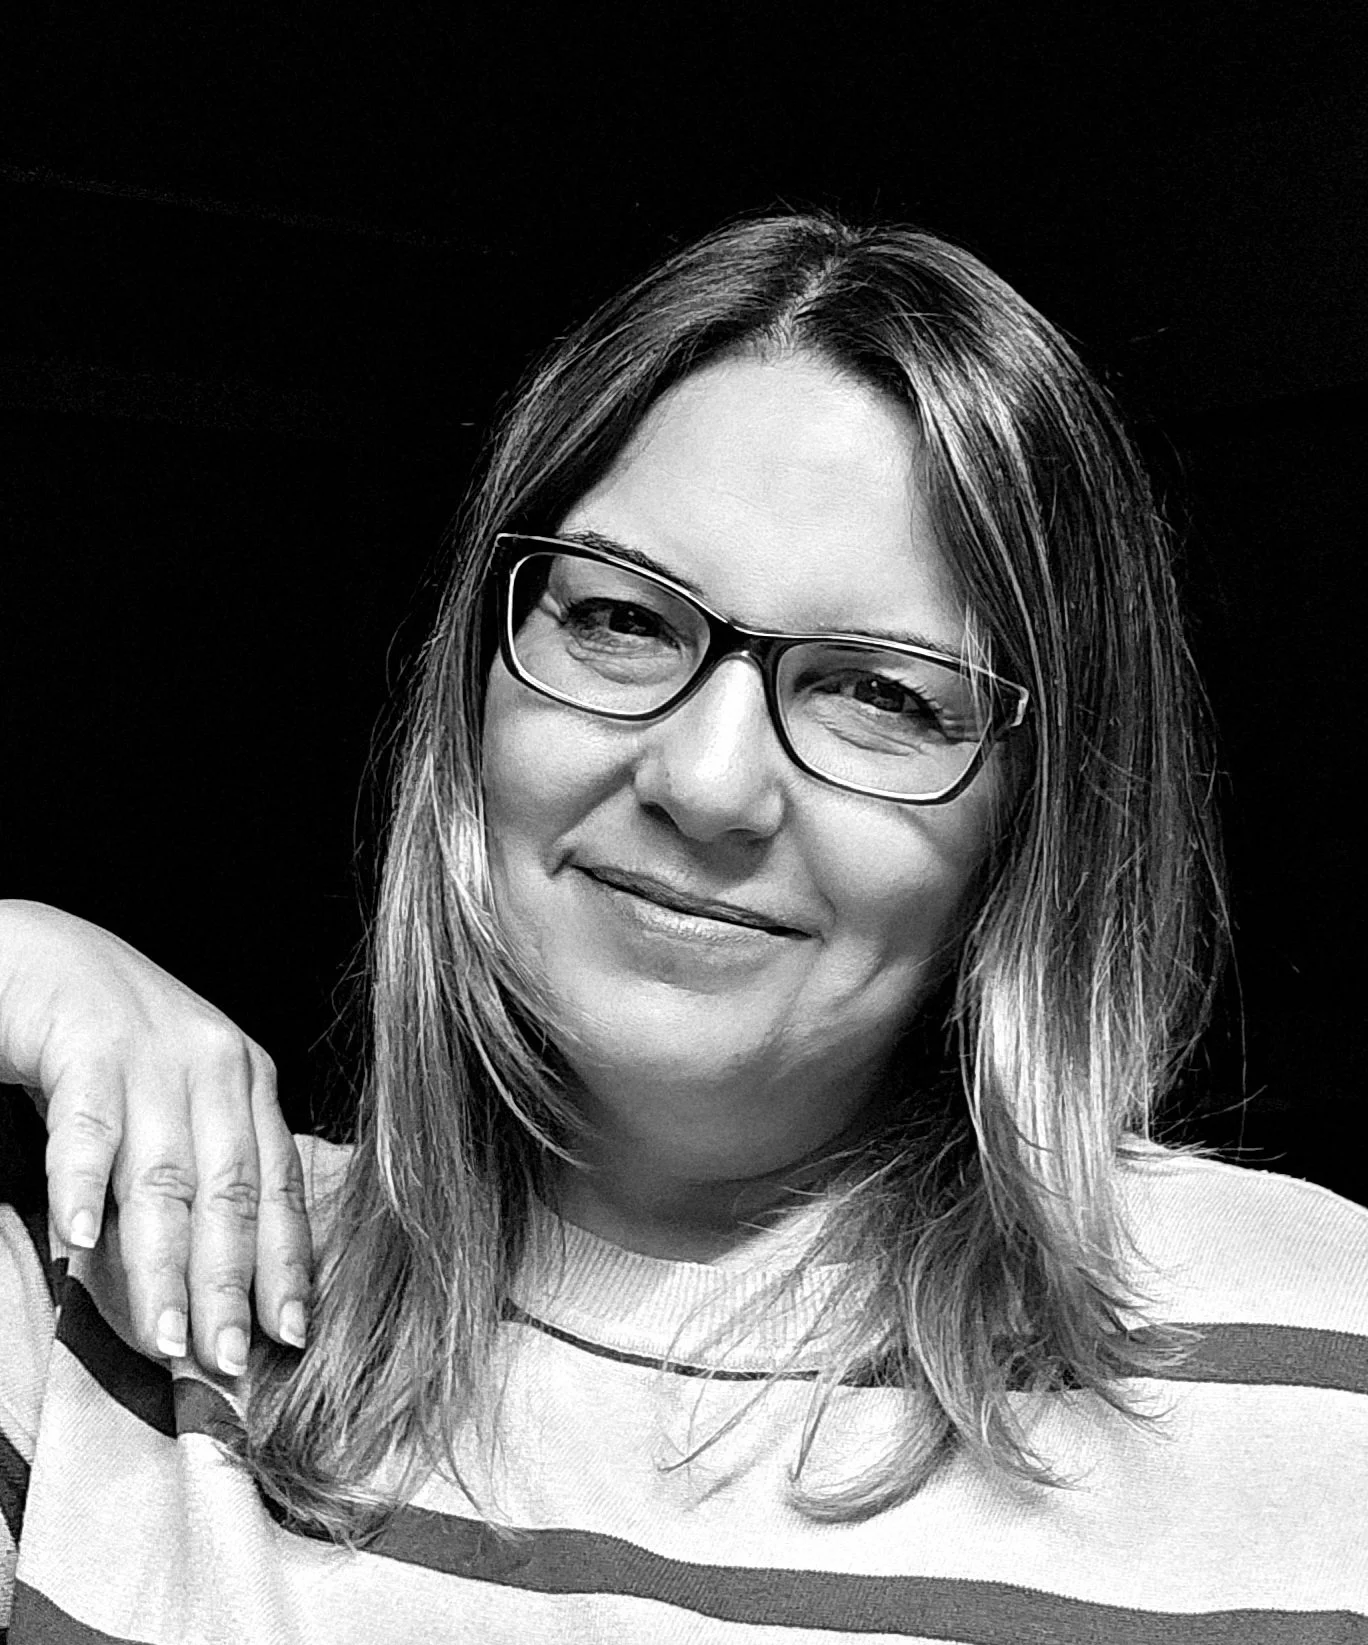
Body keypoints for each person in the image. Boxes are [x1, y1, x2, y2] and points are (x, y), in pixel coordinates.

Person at [2, 212, 1366, 1643]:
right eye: (623, 621)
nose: (708, 784)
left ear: (1038, 824)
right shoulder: (109, 1300)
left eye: (883, 694)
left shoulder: (1327, 1380)